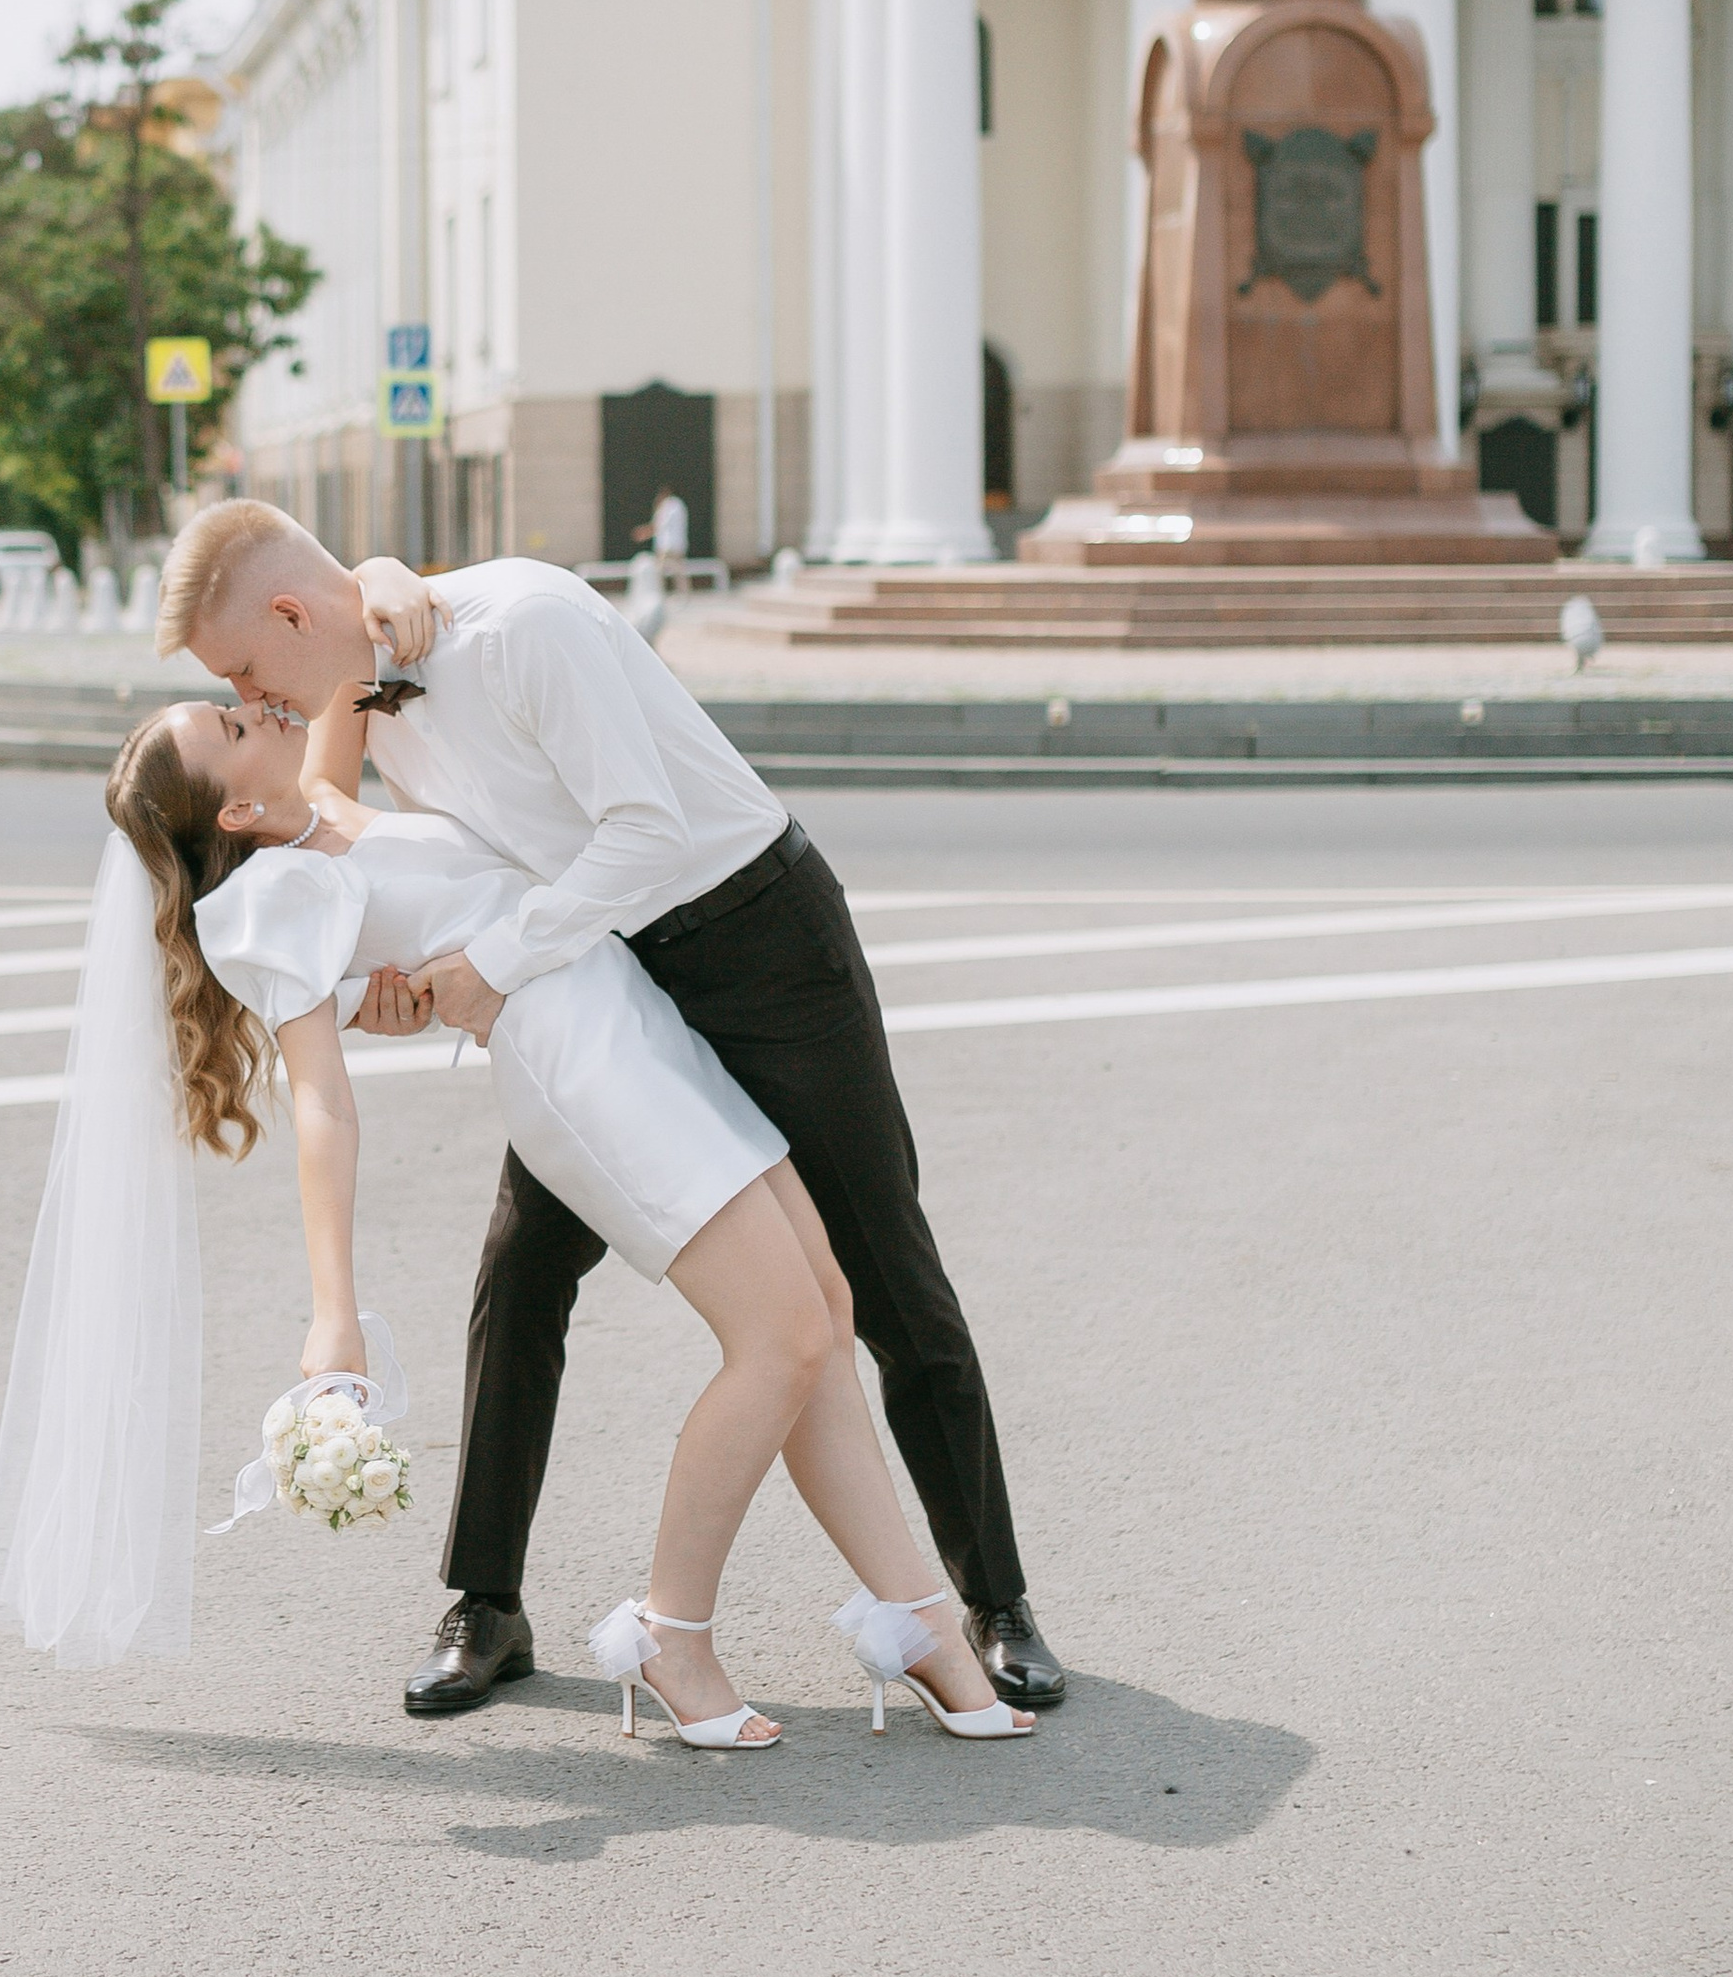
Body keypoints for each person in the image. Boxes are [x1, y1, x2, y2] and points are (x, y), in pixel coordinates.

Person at [160, 500, 1064, 1723]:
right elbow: (335, 828)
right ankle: (486, 1604)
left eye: (245, 671)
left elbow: (646, 830)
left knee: (879, 1272)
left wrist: (487, 962)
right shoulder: (353, 667)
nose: (255, 695)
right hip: (595, 992)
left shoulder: (523, 623)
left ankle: (990, 1601)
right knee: (521, 1274)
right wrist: (395, 981)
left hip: (752, 941)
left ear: (286, 616)